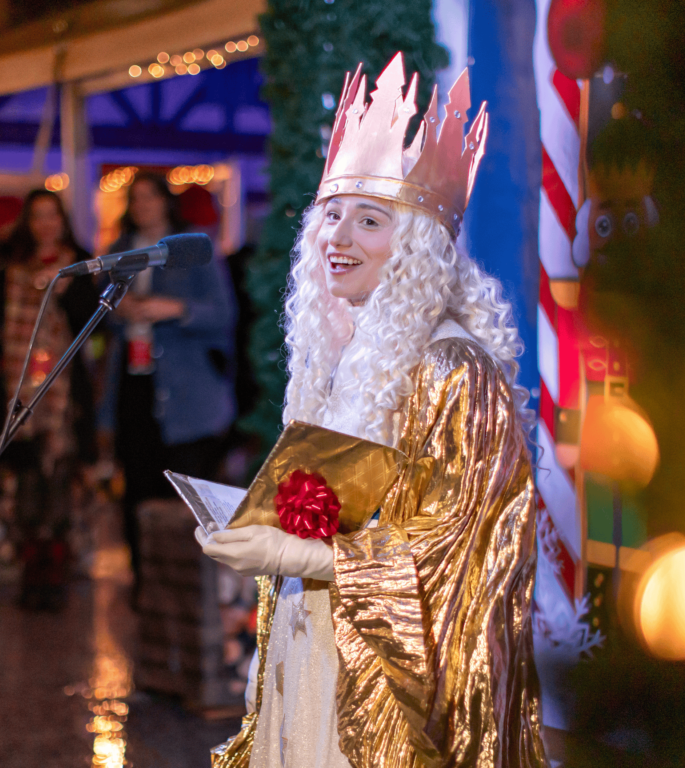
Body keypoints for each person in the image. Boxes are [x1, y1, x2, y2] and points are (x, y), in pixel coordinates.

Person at [199, 55, 547, 767]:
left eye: (369, 220)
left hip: (379, 696)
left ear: (418, 244)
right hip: (312, 654)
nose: (339, 238)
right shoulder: (352, 356)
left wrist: (295, 554)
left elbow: (455, 560)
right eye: (331, 215)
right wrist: (263, 525)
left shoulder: (453, 368)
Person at [99, 172, 237, 591]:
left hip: (186, 393)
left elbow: (223, 313)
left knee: (184, 496)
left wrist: (174, 308)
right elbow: (99, 317)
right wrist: (120, 311)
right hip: (134, 384)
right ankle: (145, 586)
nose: (143, 205)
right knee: (136, 489)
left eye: (150, 196)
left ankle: (187, 588)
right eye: (135, 198)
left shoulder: (193, 249)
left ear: (165, 201)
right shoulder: (119, 252)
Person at [0, 189, 98, 610]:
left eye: (52, 216)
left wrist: (66, 291)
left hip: (63, 392)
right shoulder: (10, 264)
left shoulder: (82, 264)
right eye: (37, 216)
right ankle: (29, 574)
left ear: (63, 221)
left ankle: (54, 576)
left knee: (57, 481)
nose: (45, 224)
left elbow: (90, 323)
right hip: (18, 388)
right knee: (26, 485)